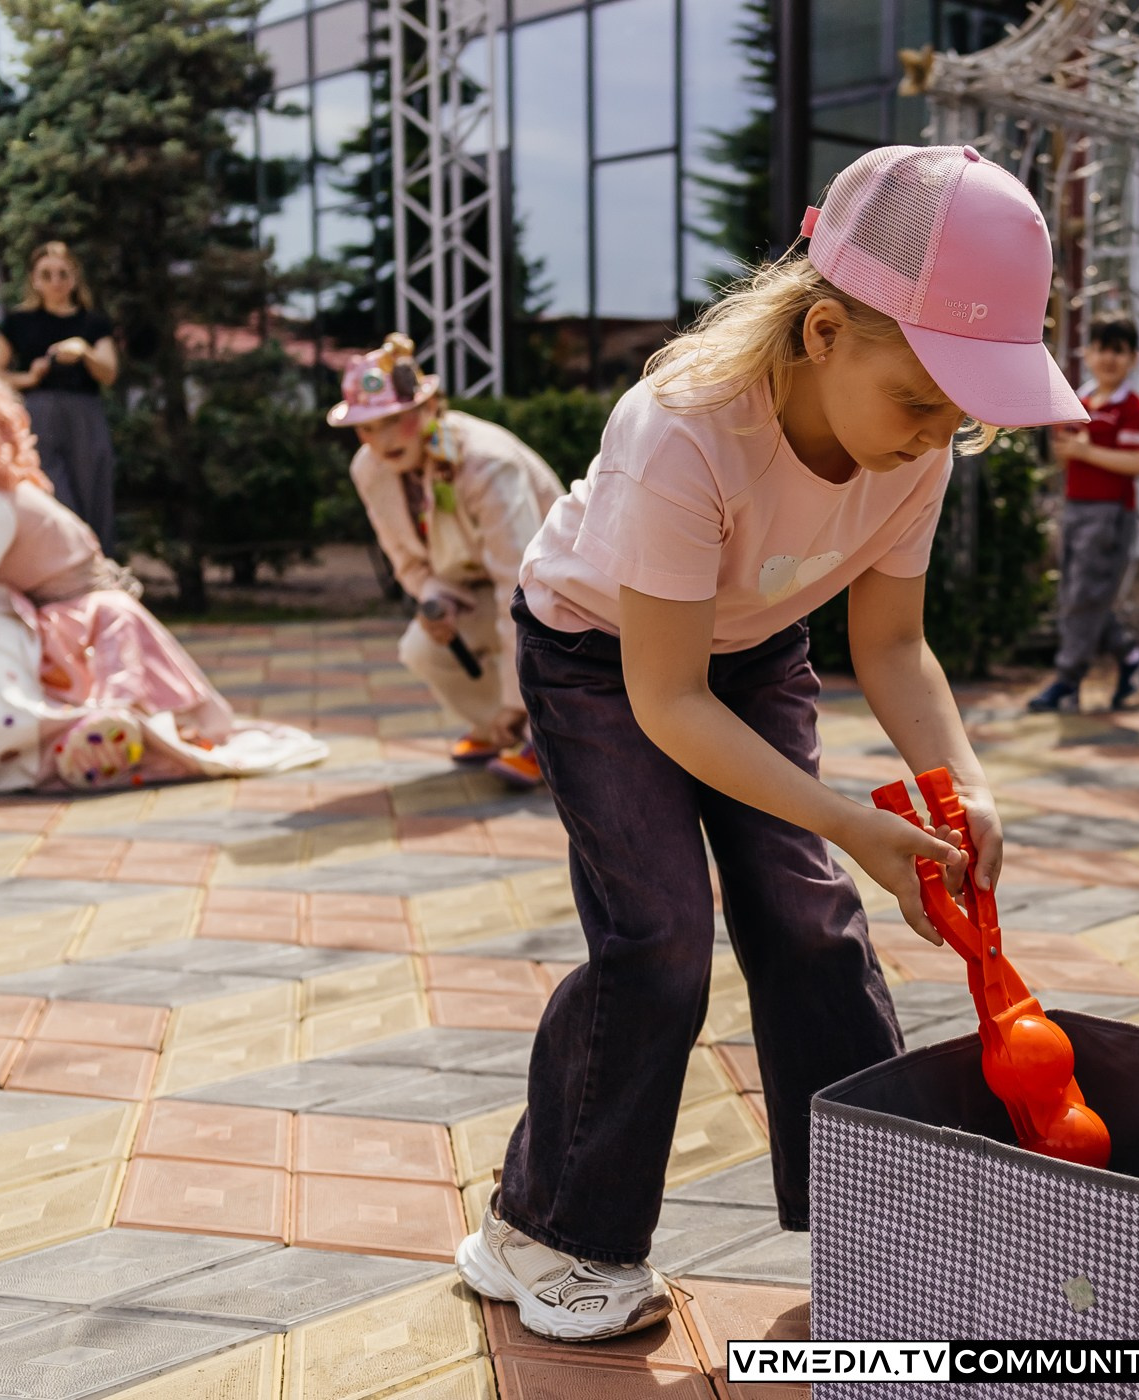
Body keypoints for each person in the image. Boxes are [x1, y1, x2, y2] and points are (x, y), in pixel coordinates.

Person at [458, 144, 1087, 1344]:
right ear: (823, 335)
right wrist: (850, 819)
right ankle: (542, 1230)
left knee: (808, 919)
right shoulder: (684, 428)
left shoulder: (919, 445)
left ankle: (885, 1231)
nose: (936, 433)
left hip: (748, 655)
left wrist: (965, 786)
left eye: (962, 409)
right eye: (920, 399)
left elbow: (893, 644)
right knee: (658, 935)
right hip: (603, 658)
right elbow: (668, 700)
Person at [0, 322, 323, 791]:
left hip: (80, 621)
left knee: (74, 686)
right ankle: (86, 738)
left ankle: (85, 740)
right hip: (67, 615)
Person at [331, 334, 565, 789]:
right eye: (367, 426)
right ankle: (498, 730)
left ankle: (548, 738)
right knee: (422, 646)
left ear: (428, 408)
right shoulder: (369, 468)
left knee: (523, 633)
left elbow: (520, 586)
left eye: (394, 420)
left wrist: (515, 698)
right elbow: (405, 559)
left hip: (551, 592)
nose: (379, 440)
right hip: (471, 586)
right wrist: (435, 597)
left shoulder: (485, 463)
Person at [1025, 319, 1139, 714]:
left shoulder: (1133, 409)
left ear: (1133, 359)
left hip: (1110, 513)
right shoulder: (1078, 401)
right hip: (1076, 507)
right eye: (1101, 348)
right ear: (1088, 354)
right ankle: (1132, 657)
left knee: (1083, 596)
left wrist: (1086, 453)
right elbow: (1060, 452)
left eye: (1118, 350)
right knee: (1077, 596)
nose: (1108, 358)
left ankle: (1067, 680)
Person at [0, 242, 121, 555]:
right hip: (38, 414)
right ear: (35, 280)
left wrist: (84, 351)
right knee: (51, 491)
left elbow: (110, 373)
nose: (56, 281)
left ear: (74, 278)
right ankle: (59, 564)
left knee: (93, 492)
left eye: (63, 274)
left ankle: (98, 569)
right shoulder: (19, 322)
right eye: (46, 275)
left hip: (85, 414)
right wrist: (28, 378)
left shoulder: (92, 324)